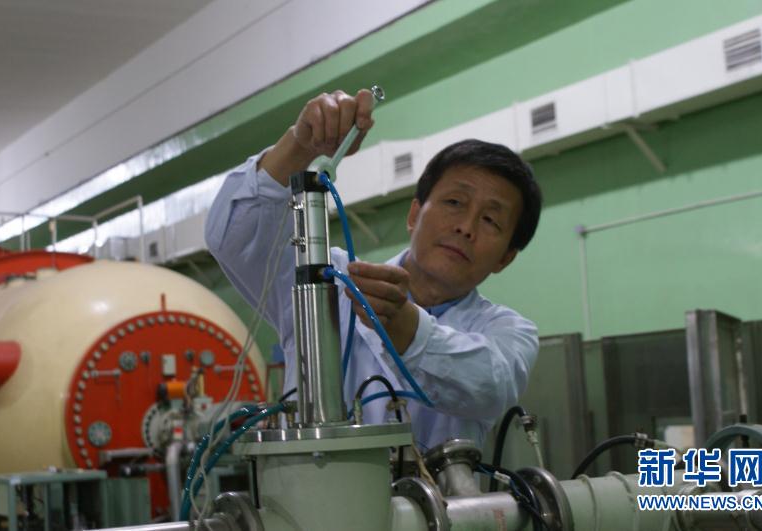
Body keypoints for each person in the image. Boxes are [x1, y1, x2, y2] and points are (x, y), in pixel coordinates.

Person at [205, 89, 542, 450]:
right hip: (307, 486)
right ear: (414, 215)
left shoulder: (508, 333)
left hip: (437, 490)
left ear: (505, 257)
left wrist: (407, 326)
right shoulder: (329, 281)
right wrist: (299, 147)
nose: (466, 227)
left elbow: (490, 384)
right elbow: (235, 236)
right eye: (454, 202)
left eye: (490, 220)